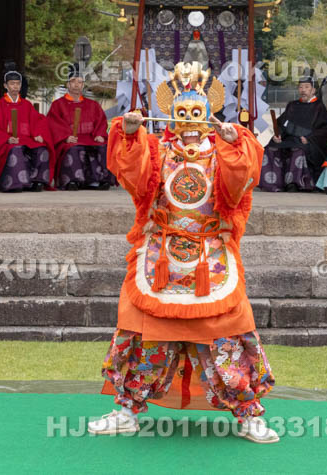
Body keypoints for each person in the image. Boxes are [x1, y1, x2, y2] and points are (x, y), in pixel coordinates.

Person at [87, 62, 277, 443]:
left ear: (209, 115)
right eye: (182, 114)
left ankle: (248, 414)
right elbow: (135, 176)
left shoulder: (223, 149)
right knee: (144, 333)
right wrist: (128, 133)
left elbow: (242, 179)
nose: (190, 122)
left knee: (226, 335)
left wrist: (235, 141)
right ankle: (126, 409)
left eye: (197, 114)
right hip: (161, 255)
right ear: (170, 116)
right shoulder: (156, 150)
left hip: (211, 257)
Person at [0, 68, 54, 192]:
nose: (15, 87)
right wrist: (7, 139)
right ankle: (15, 183)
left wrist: (38, 134)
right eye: (12, 83)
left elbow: (38, 120)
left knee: (41, 148)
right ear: (5, 85)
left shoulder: (27, 104)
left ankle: (36, 182)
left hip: (27, 139)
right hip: (9, 142)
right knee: (15, 149)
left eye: (17, 84)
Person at [259, 76, 327, 192]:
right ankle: (273, 183)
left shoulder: (319, 107)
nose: (303, 90)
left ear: (313, 90)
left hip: (307, 142)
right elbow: (281, 123)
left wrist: (309, 139)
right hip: (289, 139)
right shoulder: (292, 105)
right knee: (270, 148)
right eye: (301, 87)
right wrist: (278, 135)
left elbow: (324, 129)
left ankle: (294, 183)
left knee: (298, 150)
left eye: (307, 87)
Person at [47, 72, 114, 190]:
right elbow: (53, 123)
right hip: (70, 138)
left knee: (102, 146)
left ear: (83, 85)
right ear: (67, 84)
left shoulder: (93, 104)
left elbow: (101, 121)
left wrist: (99, 134)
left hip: (90, 137)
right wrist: (66, 137)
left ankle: (98, 180)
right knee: (72, 147)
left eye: (79, 82)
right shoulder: (58, 105)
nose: (76, 85)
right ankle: (72, 180)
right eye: (73, 81)